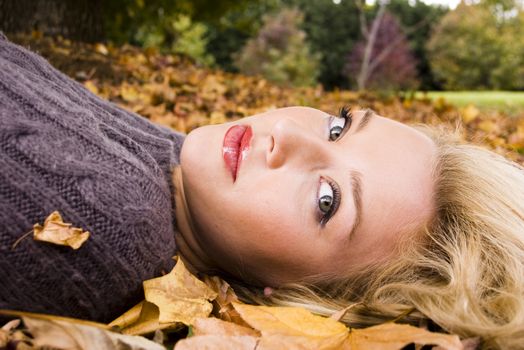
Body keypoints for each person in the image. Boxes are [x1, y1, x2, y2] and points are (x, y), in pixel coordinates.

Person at [0, 34, 523, 349]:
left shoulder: (99, 226)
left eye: (327, 201)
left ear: (301, 304)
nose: (287, 136)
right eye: (339, 127)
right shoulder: (184, 174)